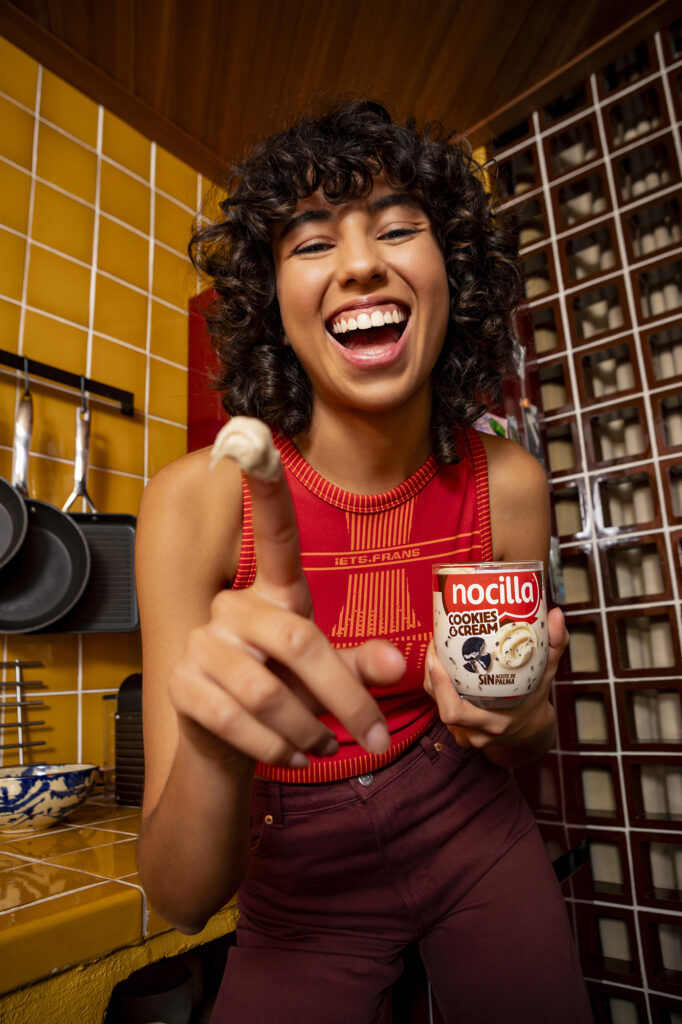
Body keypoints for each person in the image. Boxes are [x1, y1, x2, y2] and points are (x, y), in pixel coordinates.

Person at [136, 99, 593, 1023]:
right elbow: (180, 903)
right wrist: (220, 750)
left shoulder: (510, 485)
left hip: (477, 829)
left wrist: (521, 719)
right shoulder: (196, 503)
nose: (359, 263)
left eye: (397, 229)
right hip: (293, 879)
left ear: (452, 276)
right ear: (273, 306)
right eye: (310, 244)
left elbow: (523, 739)